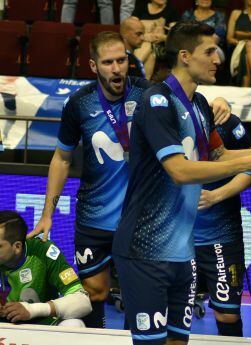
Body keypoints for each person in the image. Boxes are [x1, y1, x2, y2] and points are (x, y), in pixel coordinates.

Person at [111, 21, 251, 345]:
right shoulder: (157, 101)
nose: (218, 58)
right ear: (185, 56)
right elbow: (179, 171)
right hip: (145, 250)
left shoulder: (200, 104)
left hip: (182, 252)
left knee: (178, 342)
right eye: (210, 51)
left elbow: (218, 155)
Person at [28, 31, 151, 329]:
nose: (117, 68)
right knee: (94, 292)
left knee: (142, 296)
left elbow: (186, 105)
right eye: (108, 62)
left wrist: (220, 102)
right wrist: (47, 214)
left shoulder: (148, 94)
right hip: (94, 218)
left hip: (140, 219)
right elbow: (62, 159)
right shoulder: (79, 104)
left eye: (122, 60)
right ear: (94, 66)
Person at [192, 114, 251, 337]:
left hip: (221, 235)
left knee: (227, 314)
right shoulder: (163, 119)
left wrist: (216, 196)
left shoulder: (223, 121)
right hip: (177, 237)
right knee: (172, 310)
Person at [0, 211, 91, 327]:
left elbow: (83, 301)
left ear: (17, 247)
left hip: (42, 323)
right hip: (5, 325)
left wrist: (32, 310)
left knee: (74, 324)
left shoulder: (45, 253)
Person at [132, 0, 179, 80]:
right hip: (142, 43)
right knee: (151, 56)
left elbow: (176, 35)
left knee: (148, 45)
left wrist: (163, 37)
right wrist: (144, 36)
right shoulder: (141, 7)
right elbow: (132, 27)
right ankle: (144, 86)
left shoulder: (171, 10)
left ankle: (132, 68)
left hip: (161, 47)